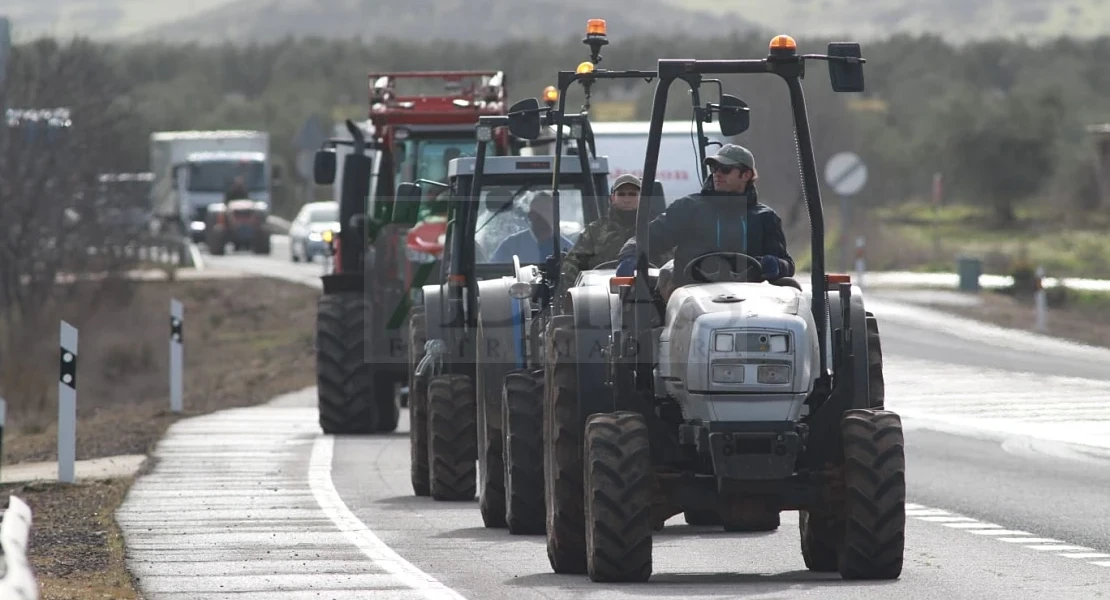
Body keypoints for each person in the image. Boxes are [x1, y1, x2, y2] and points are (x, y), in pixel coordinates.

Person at [615, 143, 795, 288]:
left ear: (746, 175)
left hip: (750, 300)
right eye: (714, 168)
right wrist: (630, 255)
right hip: (690, 296)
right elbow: (648, 237)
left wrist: (775, 264)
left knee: (792, 287)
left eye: (725, 169)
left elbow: (787, 264)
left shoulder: (765, 217)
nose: (717, 173)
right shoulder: (687, 208)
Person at [557, 173, 642, 293]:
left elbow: (667, 267)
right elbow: (572, 264)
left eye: (632, 194)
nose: (627, 200)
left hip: (646, 296)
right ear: (612, 198)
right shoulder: (594, 232)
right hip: (600, 296)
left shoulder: (653, 231)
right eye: (621, 194)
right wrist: (568, 295)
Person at [489, 191, 574, 264]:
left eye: (547, 211)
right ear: (530, 215)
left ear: (555, 216)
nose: (542, 216)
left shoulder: (567, 248)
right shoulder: (510, 246)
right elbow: (492, 272)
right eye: (538, 211)